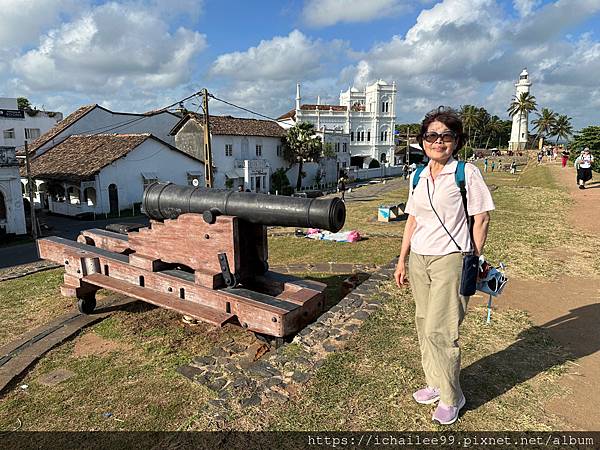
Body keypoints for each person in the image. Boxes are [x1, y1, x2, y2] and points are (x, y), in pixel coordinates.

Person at [394, 106, 494, 425]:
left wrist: (473, 258)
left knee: (443, 329)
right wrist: (402, 260)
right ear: (423, 141)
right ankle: (435, 382)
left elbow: (481, 218)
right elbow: (413, 219)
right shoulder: (418, 175)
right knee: (424, 324)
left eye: (446, 136)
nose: (439, 142)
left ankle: (453, 396)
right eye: (432, 136)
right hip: (420, 257)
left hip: (452, 257)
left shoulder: (466, 173)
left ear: (456, 141)